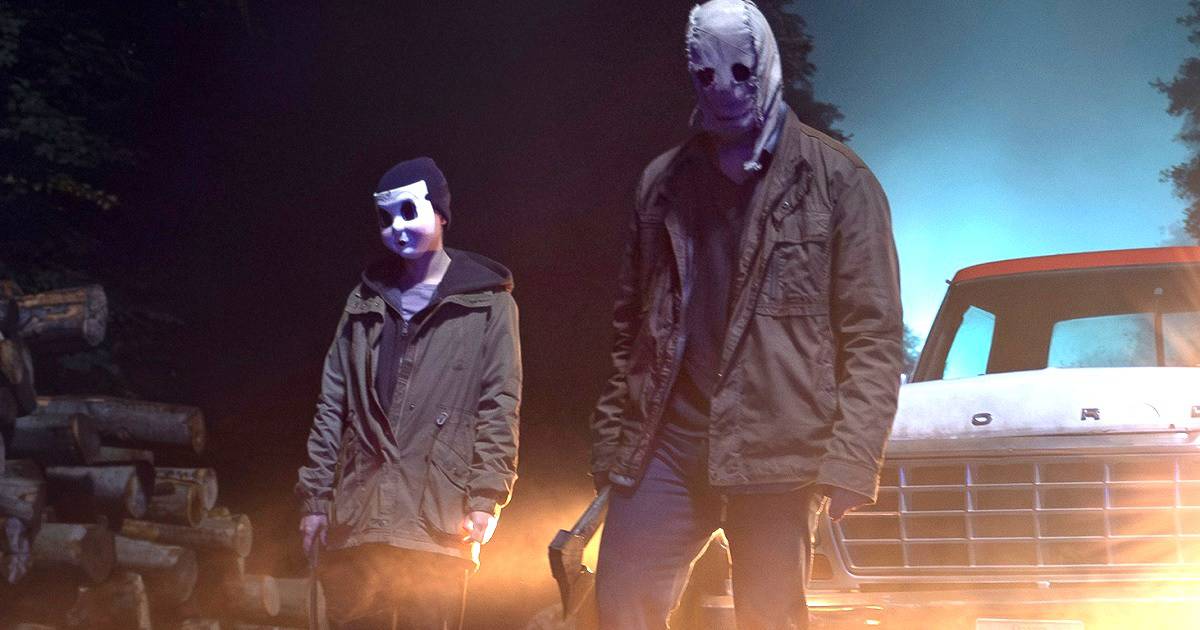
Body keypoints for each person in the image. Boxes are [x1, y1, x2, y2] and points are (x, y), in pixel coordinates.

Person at [589, 1, 903, 628]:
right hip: (668, 442)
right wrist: (612, 441)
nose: (724, 89)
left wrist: (852, 456)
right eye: (706, 74)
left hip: (780, 447)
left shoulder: (839, 182)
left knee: (770, 616)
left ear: (768, 64)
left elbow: (873, 335)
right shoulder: (662, 184)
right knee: (620, 602)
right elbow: (631, 326)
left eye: (740, 70)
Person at [295, 157, 521, 629]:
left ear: (440, 213)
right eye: (386, 217)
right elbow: (332, 403)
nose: (396, 227)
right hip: (361, 513)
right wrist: (315, 500)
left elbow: (500, 403)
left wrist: (485, 497)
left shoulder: (489, 304)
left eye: (408, 211)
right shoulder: (364, 301)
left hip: (437, 516)